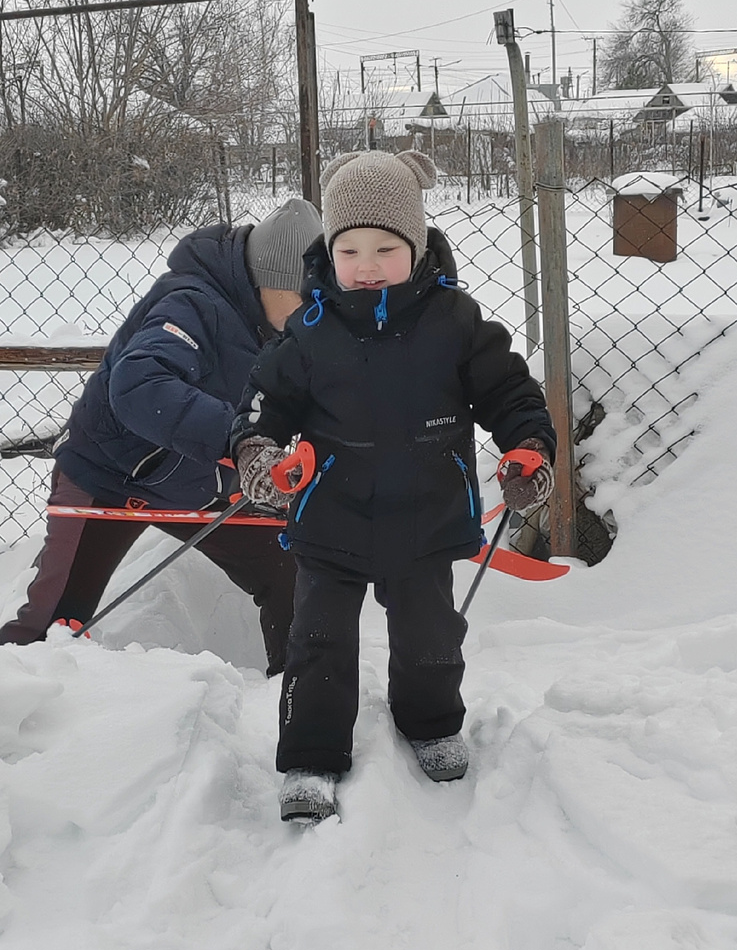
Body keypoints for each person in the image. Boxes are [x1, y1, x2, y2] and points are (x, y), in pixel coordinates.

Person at [231, 151, 557, 821]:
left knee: (430, 637)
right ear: (329, 251)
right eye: (349, 250)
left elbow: (511, 393)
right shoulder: (310, 331)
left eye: (386, 248)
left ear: (416, 246)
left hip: (426, 517)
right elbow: (264, 402)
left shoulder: (455, 322)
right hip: (331, 517)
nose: (368, 265)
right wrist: (258, 452)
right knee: (317, 641)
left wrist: (528, 447)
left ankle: (430, 723)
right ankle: (311, 756)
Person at [0, 197, 323, 677]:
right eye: (304, 299)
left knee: (287, 569)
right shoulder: (190, 303)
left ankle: (297, 695)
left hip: (193, 480)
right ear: (267, 281)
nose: (311, 315)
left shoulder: (277, 325)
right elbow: (140, 386)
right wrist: (239, 439)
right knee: (50, 624)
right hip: (106, 475)